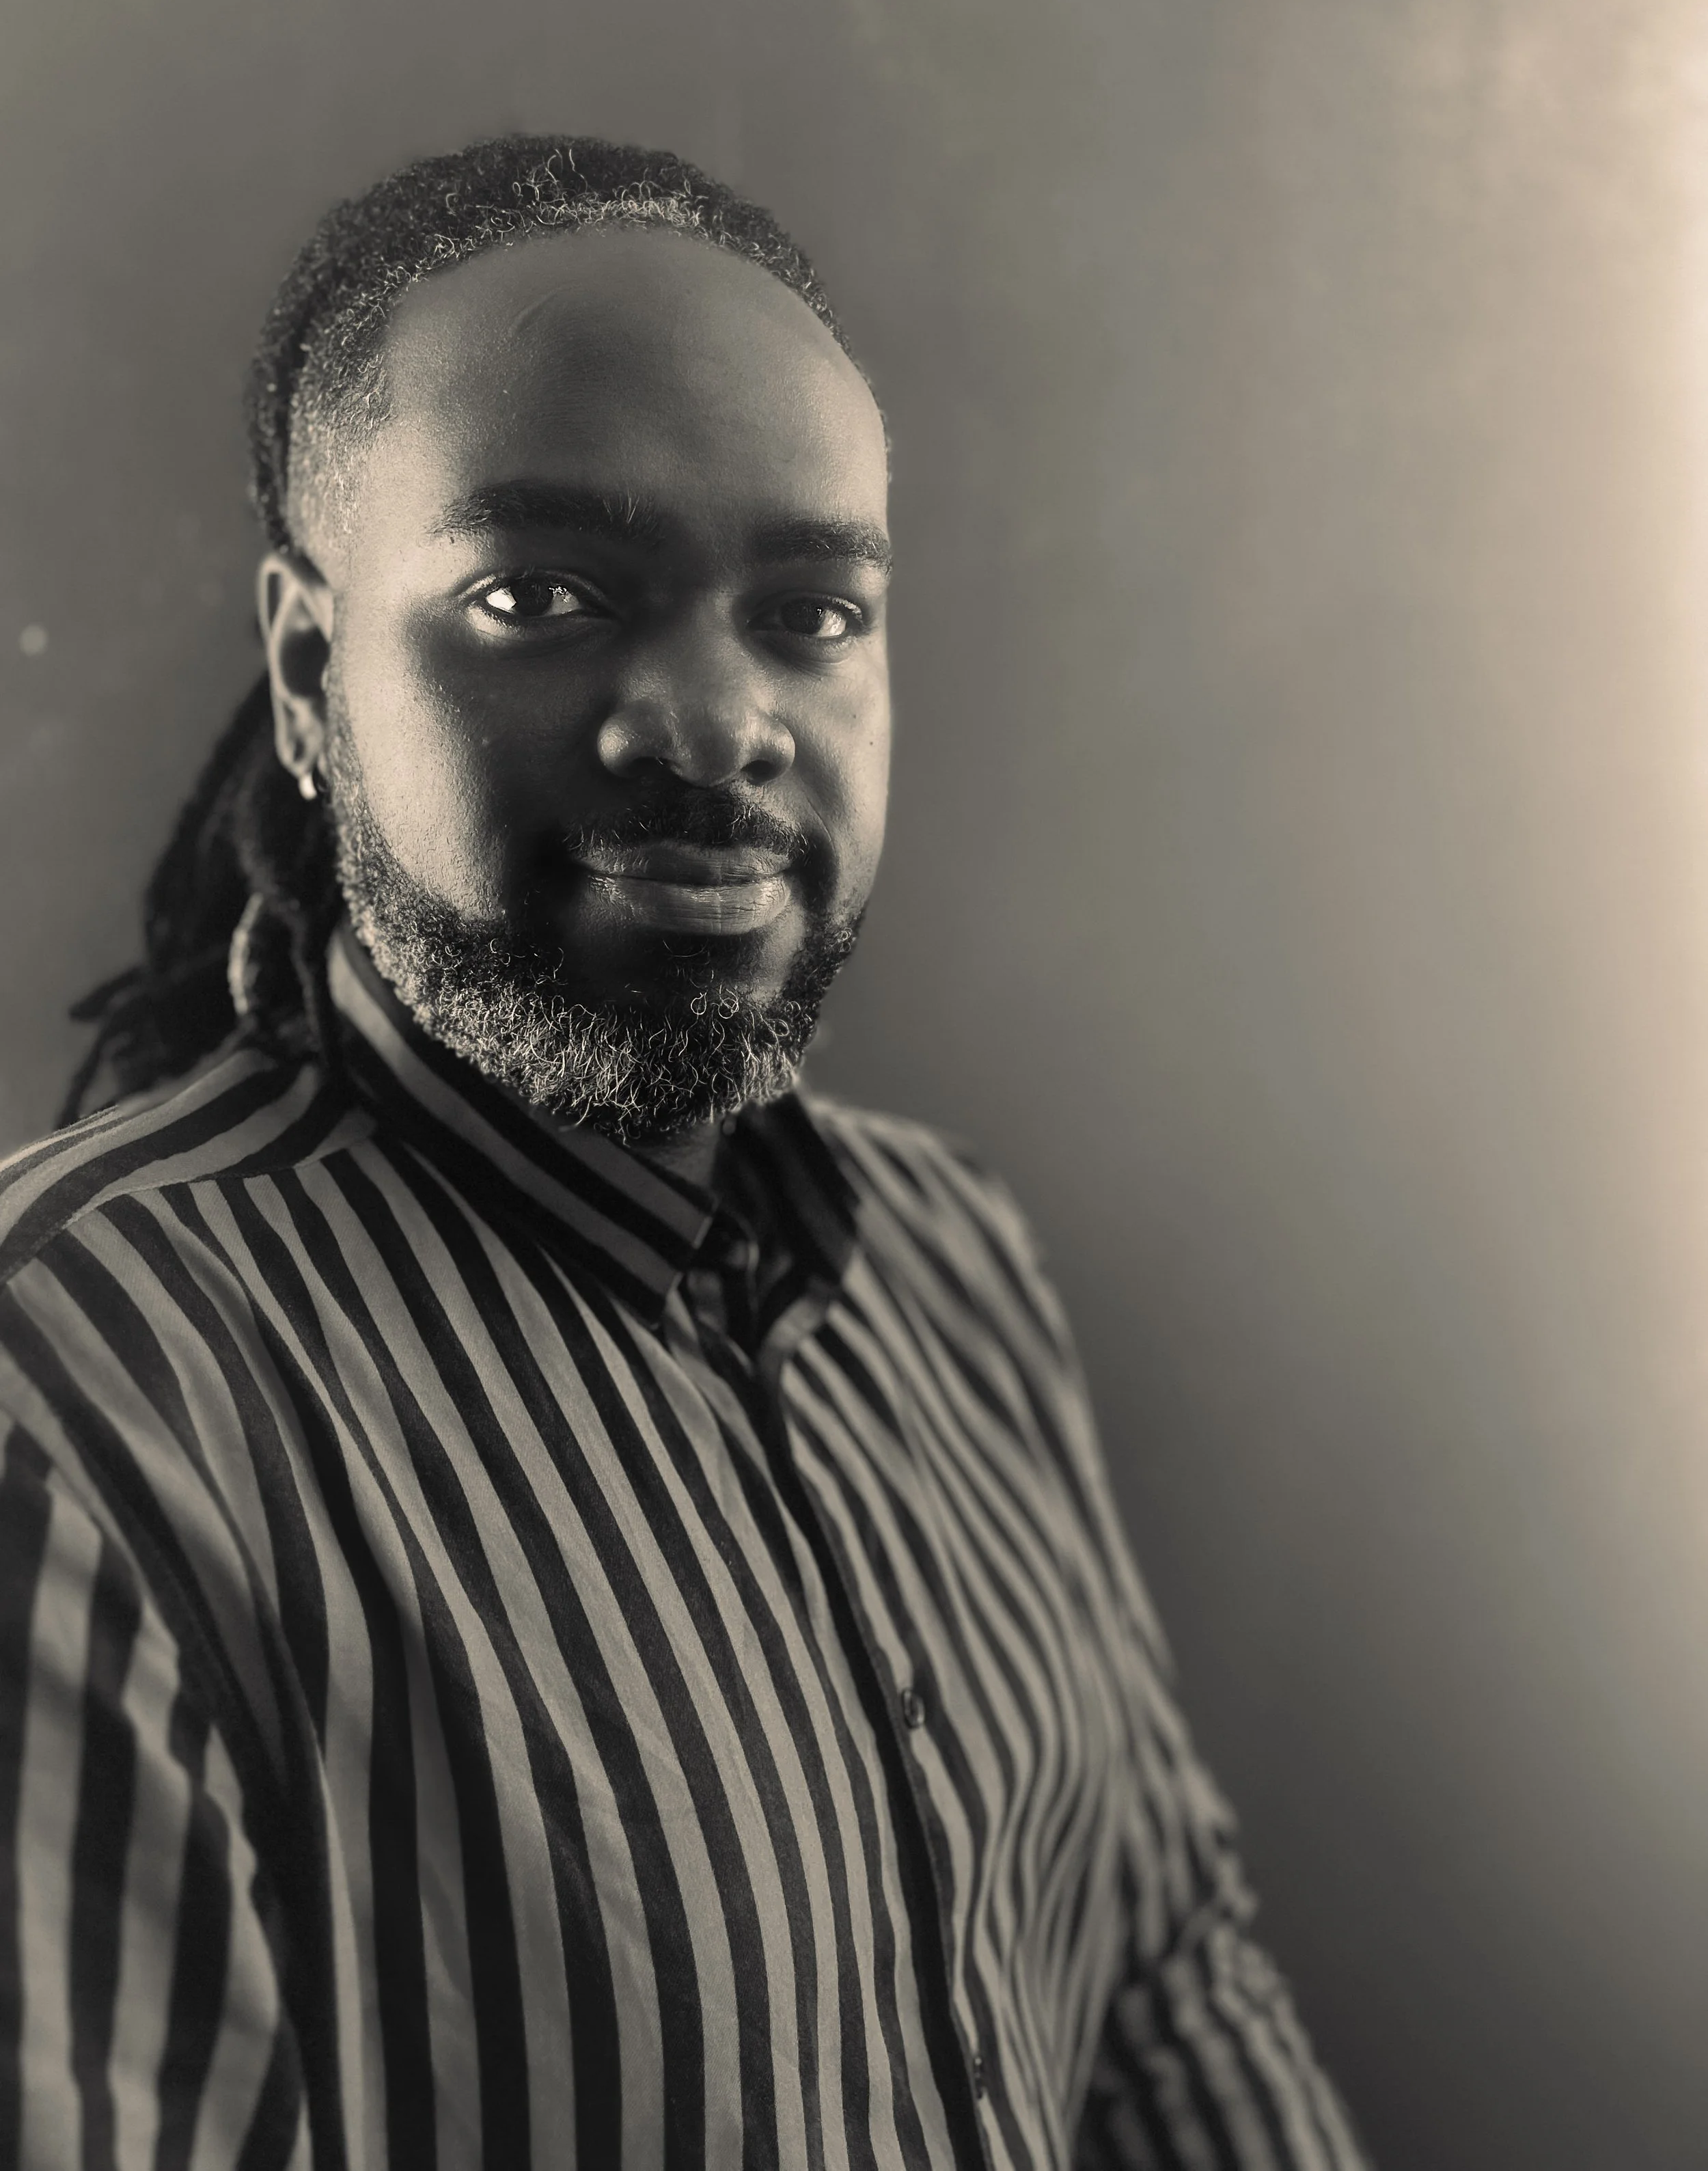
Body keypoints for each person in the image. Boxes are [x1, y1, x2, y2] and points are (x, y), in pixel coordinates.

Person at [0, 135, 1368, 2170]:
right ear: (309, 670)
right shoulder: (76, 1394)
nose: (718, 719)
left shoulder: (949, 1255)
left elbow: (1164, 1981)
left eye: (813, 607)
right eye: (538, 595)